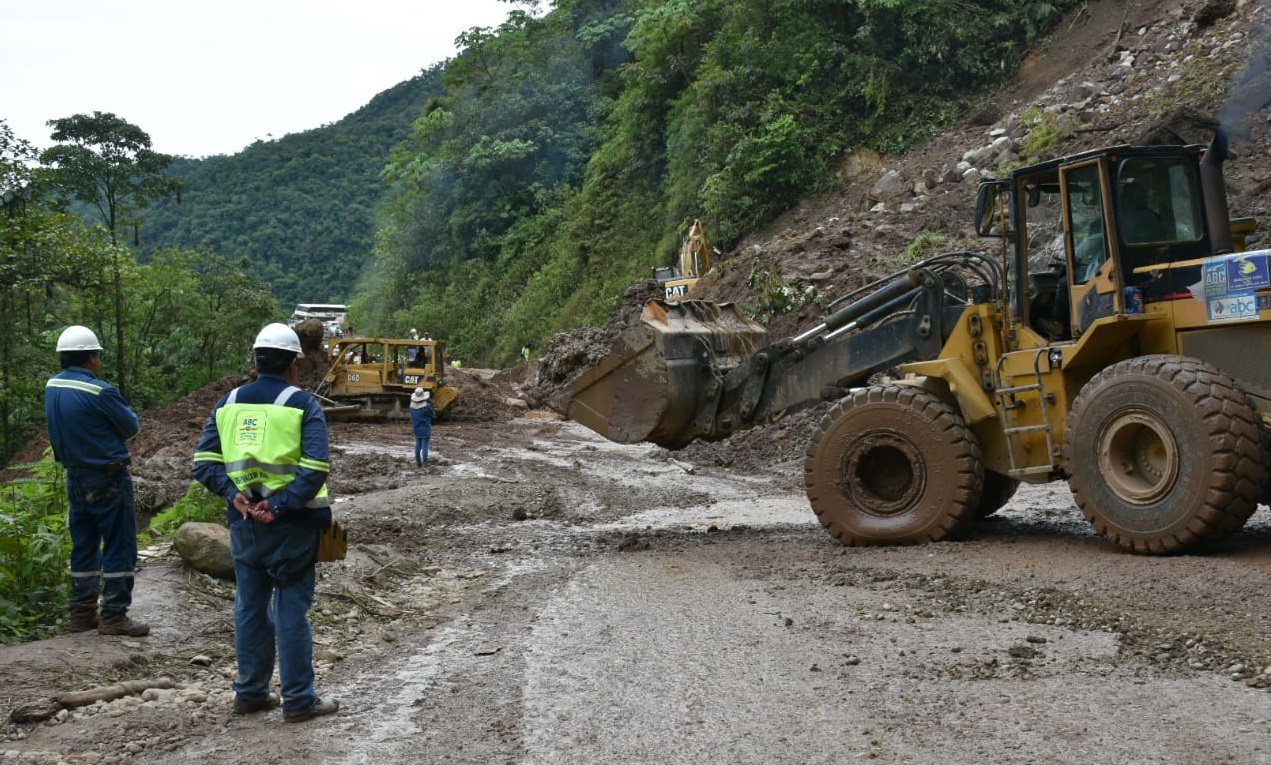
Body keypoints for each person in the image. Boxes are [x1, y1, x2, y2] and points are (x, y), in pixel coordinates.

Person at [192, 323, 339, 723]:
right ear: (293, 364)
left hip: (244, 524)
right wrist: (279, 504)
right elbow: (315, 467)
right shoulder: (303, 404)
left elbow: (203, 463)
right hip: (293, 526)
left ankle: (251, 692)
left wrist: (233, 494)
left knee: (250, 606)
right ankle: (299, 699)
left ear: (256, 361)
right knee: (291, 607)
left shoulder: (227, 403)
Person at [44, 325, 149, 636]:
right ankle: (114, 615)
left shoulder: (52, 386)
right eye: (98, 356)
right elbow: (131, 427)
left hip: (75, 475)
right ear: (91, 357)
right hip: (108, 476)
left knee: (84, 544)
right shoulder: (100, 391)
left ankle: (82, 612)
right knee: (119, 544)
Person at [410, 388, 435, 465]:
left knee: (418, 445)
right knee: (425, 445)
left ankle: (418, 461)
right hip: (425, 428)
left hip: (416, 428)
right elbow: (432, 414)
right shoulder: (426, 406)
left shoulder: (411, 406)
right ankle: (425, 462)